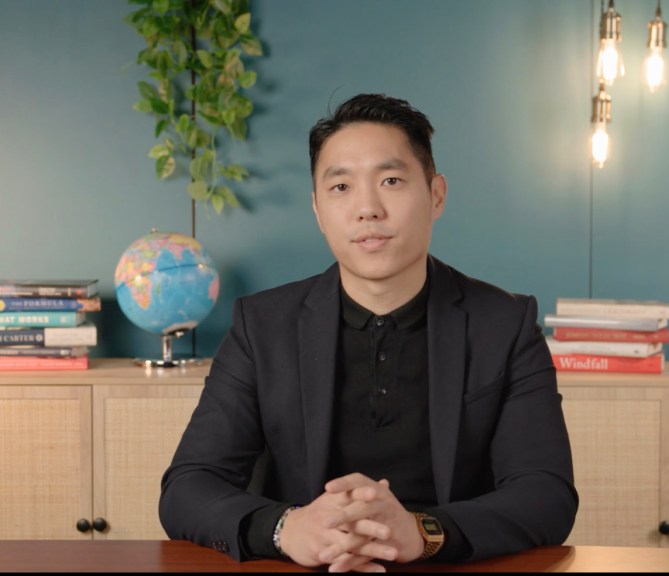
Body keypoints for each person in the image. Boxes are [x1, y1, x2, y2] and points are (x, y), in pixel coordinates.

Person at [159, 93, 578, 572]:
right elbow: (188, 486)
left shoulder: (504, 324)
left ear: (435, 195)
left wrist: (422, 532)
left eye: (392, 180)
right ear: (317, 208)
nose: (367, 209)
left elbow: (546, 494)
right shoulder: (262, 326)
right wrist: (287, 528)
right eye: (340, 188)